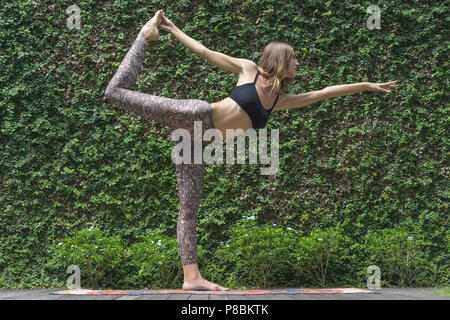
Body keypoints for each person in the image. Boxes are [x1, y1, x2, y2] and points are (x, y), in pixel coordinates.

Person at [105, 10, 399, 291]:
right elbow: (206, 52)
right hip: (196, 115)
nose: (298, 63)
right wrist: (173, 29)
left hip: (196, 143)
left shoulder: (280, 100)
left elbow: (322, 93)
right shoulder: (249, 70)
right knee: (115, 93)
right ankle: (145, 36)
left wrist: (365, 85)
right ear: (281, 58)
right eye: (294, 57)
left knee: (189, 210)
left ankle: (191, 277)